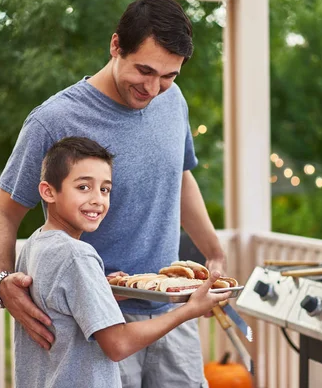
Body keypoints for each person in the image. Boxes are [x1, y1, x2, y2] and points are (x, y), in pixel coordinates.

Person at [0, 0, 227, 387]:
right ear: (116, 46)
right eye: (144, 70)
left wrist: (214, 251)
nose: (153, 88)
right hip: (96, 321)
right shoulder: (54, 120)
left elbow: (178, 178)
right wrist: (1, 282)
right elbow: (1, 214)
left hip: (173, 308)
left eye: (168, 75)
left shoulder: (172, 102)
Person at [14, 136, 230, 388]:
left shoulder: (35, 245)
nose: (97, 199)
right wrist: (189, 310)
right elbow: (118, 344)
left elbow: (63, 309)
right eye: (83, 187)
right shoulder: (78, 255)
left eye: (105, 189)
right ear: (48, 192)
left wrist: (103, 293)